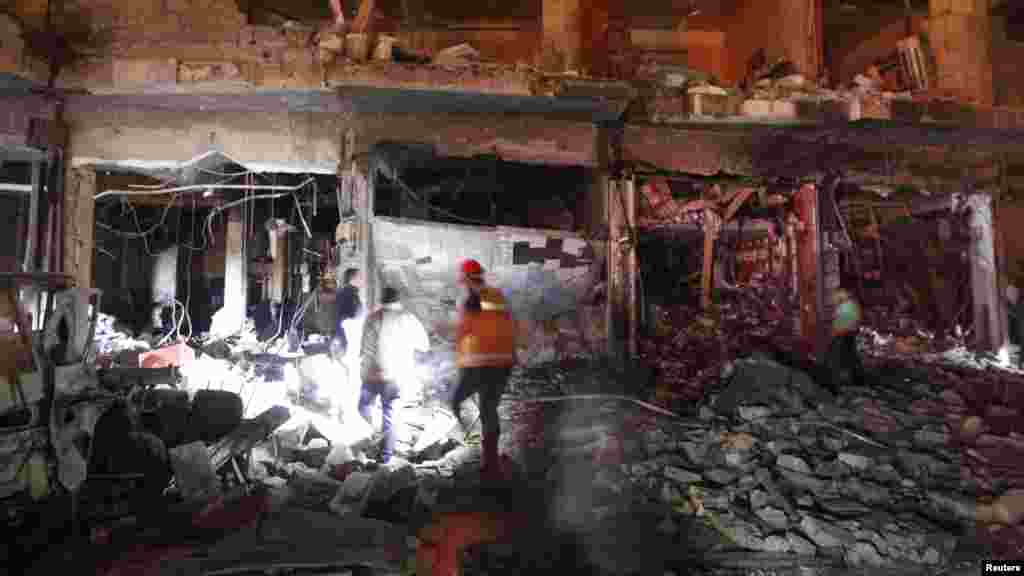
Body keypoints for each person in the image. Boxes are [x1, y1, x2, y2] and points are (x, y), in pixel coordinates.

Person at [450, 259, 518, 482]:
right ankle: (489, 463)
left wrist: (457, 353)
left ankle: (468, 440)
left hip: (479, 365)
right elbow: (506, 324)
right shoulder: (496, 296)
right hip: (502, 363)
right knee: (489, 410)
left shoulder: (470, 300)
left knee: (455, 401)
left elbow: (465, 330)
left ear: (467, 279)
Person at [358, 286, 430, 463]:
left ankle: (366, 448)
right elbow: (424, 345)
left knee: (364, 407)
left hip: (372, 375)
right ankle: (385, 457)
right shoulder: (408, 318)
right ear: (398, 300)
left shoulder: (373, 318)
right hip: (396, 376)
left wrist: (364, 369)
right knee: (391, 414)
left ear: (382, 300)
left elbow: (365, 348)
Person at [826, 288, 865, 393]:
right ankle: (857, 379)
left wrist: (833, 333)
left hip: (842, 335)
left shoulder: (845, 307)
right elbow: (856, 320)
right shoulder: (852, 305)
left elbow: (838, 323)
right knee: (851, 357)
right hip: (849, 334)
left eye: (835, 296)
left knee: (837, 359)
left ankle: (836, 385)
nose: (833, 299)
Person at [335, 268, 363, 354]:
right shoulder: (348, 294)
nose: (363, 280)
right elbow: (353, 317)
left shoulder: (348, 292)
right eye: (360, 277)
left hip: (344, 337)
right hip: (347, 338)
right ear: (353, 279)